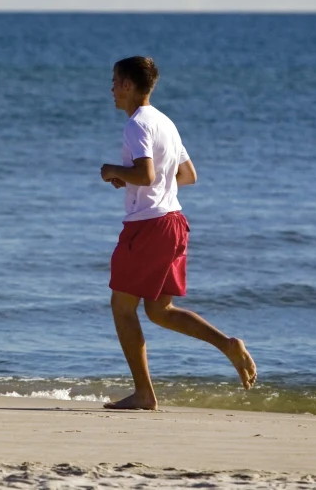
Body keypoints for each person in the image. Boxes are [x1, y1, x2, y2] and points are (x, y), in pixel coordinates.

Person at [99, 56, 257, 410]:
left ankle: (143, 394)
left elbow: (149, 175)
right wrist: (135, 180)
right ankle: (227, 344)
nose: (110, 89)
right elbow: (187, 175)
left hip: (149, 226)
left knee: (122, 307)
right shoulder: (165, 122)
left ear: (127, 85)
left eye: (114, 81)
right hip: (174, 223)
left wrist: (112, 171)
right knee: (159, 311)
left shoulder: (137, 124)